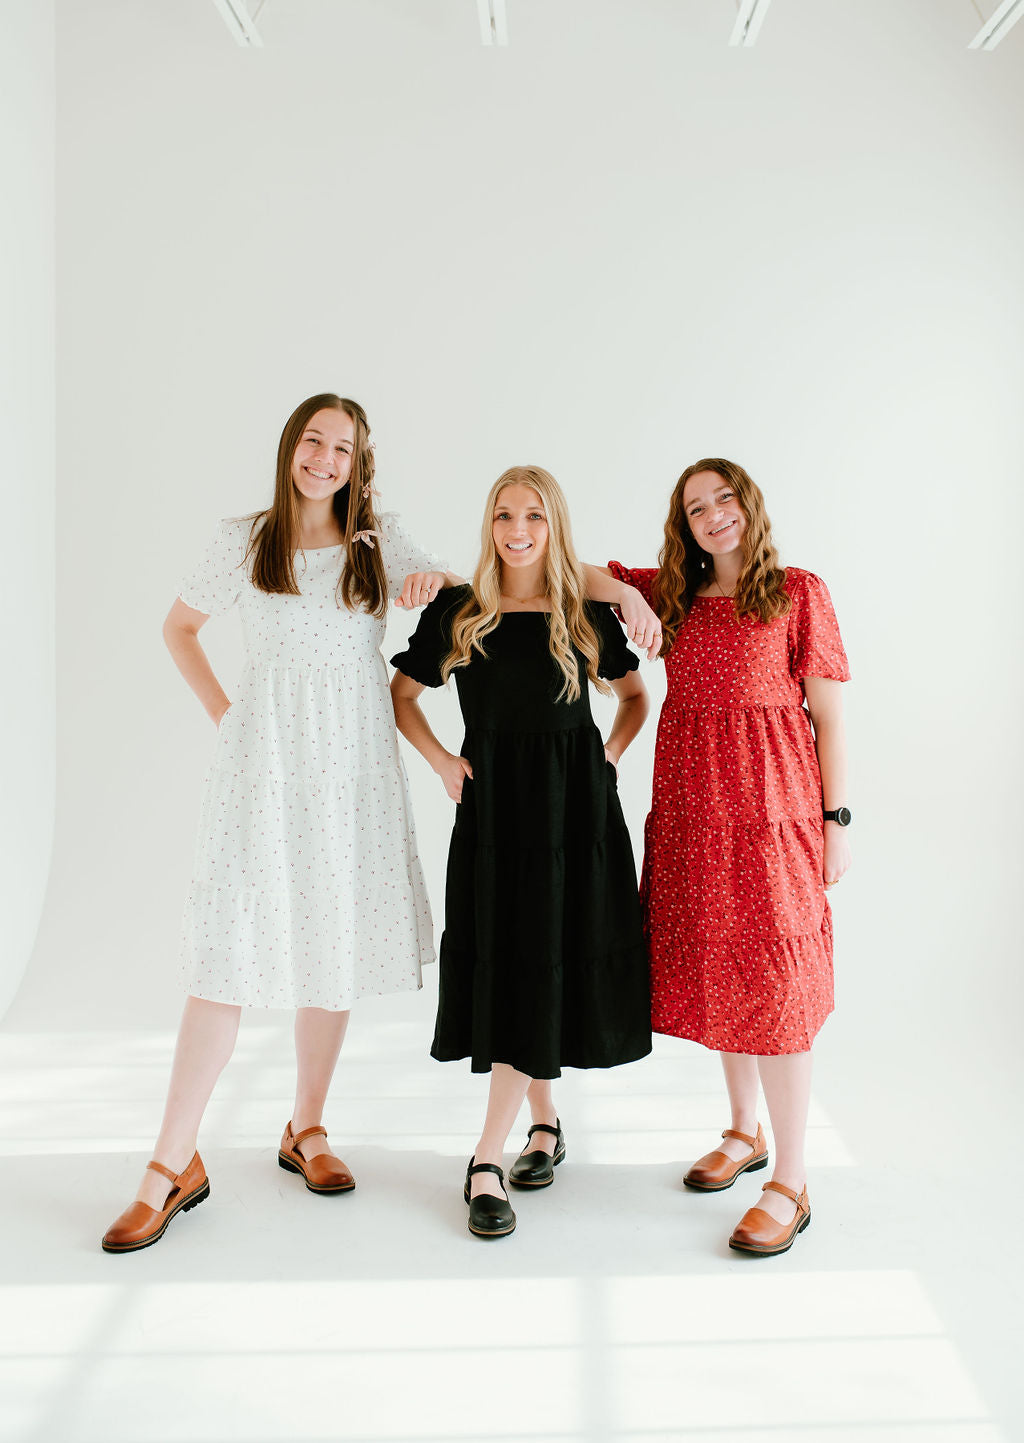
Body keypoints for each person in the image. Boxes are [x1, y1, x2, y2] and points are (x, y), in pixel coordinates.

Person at [101, 393, 454, 1253]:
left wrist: (429, 582)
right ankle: (171, 1161)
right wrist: (228, 713)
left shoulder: (379, 538)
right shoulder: (245, 538)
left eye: (343, 448)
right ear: (291, 447)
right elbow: (179, 627)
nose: (325, 458)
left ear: (360, 462)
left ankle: (307, 1125)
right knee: (227, 952)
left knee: (328, 945)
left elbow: (452, 589)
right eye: (313, 440)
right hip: (262, 766)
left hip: (354, 768)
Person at [589, 458, 851, 1256]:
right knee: (725, 965)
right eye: (696, 507)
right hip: (696, 810)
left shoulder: (798, 590)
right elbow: (570, 563)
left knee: (777, 979)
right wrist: (630, 593)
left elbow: (831, 718)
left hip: (773, 811)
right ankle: (746, 1131)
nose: (714, 515)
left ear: (749, 504)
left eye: (724, 498)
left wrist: (836, 819)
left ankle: (794, 1179)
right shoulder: (672, 592)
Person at [390, 466, 652, 1239]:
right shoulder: (461, 611)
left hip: (577, 816)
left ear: (553, 524)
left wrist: (608, 758)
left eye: (533, 515)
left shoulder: (584, 612)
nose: (517, 529)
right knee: (519, 963)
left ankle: (487, 1155)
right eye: (504, 514)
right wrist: (443, 761)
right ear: (490, 524)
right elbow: (401, 696)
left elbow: (637, 698)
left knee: (548, 959)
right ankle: (541, 1128)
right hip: (499, 816)